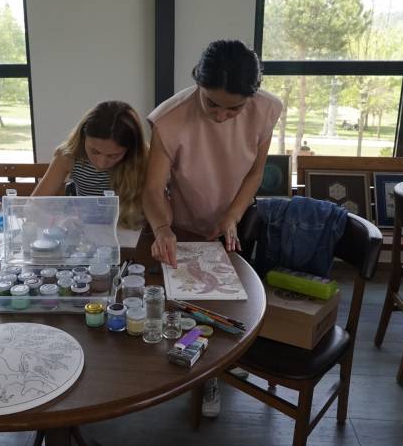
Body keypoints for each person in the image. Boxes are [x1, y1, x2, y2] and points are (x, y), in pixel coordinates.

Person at [143, 39, 283, 417]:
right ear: (198, 83)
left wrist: (233, 215)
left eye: (234, 108)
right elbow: (153, 188)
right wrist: (163, 228)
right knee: (194, 305)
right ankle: (202, 372)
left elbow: (255, 173)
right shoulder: (170, 119)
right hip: (185, 222)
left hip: (234, 218)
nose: (221, 116)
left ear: (251, 96)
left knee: (231, 303)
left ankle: (220, 366)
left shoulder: (266, 109)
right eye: (212, 104)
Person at [32, 100, 149, 229]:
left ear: (130, 150)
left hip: (131, 231)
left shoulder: (144, 158)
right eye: (94, 151)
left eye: (113, 156)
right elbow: (33, 206)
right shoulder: (68, 156)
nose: (101, 163)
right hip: (85, 231)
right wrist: (58, 221)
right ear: (83, 137)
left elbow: (156, 206)